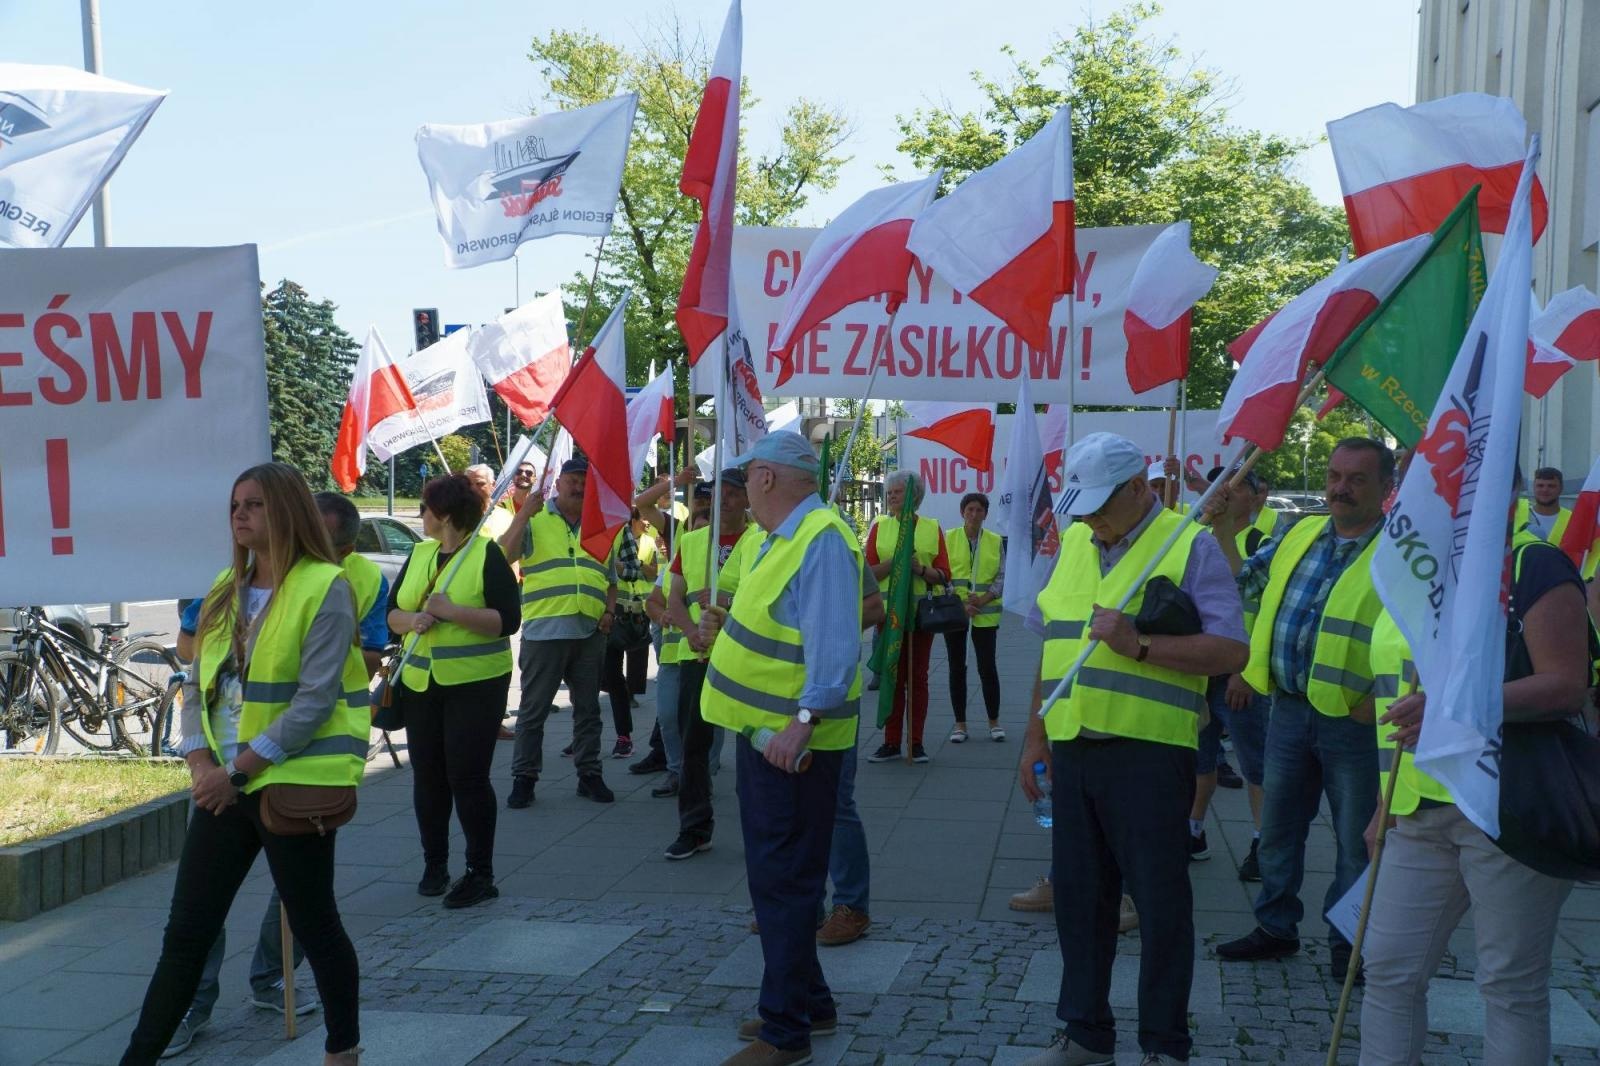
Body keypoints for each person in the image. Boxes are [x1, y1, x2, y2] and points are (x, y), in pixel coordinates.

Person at [120, 463, 366, 1066]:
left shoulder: (324, 585)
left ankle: (342, 1049)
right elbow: (194, 681)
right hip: (224, 787)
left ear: (284, 511)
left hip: (287, 785)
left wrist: (237, 772)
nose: (239, 515)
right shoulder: (224, 587)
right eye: (235, 505)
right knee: (185, 935)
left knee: (314, 926)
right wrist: (200, 759)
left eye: (253, 504)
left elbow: (314, 700)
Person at [1017, 433, 1247, 1066]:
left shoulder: (1188, 543)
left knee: (1160, 904)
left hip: (1150, 756)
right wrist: (1036, 732)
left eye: (1099, 503)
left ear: (1141, 487)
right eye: (1081, 503)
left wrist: (1140, 645)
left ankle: (1165, 1046)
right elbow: (1054, 644)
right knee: (1080, 903)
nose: (1089, 516)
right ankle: (1086, 1034)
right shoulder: (1074, 545)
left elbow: (1231, 651)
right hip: (1075, 749)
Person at [1359, 529, 1594, 1065]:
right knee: (1388, 967)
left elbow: (1565, 685)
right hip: (1417, 810)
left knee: (1510, 987)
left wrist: (1448, 709)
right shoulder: (1418, 558)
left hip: (1507, 809)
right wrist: (1383, 807)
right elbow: (1396, 698)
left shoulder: (1532, 562)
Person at [697, 432, 864, 1066]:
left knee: (785, 885)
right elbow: (776, 625)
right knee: (780, 879)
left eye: (745, 480)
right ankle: (811, 1005)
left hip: (793, 745)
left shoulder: (817, 539)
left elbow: (834, 649)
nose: (740, 492)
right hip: (766, 738)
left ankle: (786, 1031)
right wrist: (721, 624)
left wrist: (804, 720)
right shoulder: (783, 538)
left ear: (766, 478)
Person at [1212, 438, 1392, 984]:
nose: (1340, 487)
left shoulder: (1401, 552)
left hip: (1355, 723)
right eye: (1336, 475)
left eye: (1357, 479)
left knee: (1355, 843)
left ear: (1386, 488)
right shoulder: (1303, 532)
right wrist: (1222, 528)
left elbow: (1417, 638)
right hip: (1288, 709)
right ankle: (1275, 926)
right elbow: (1246, 582)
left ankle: (1349, 945)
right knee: (1279, 830)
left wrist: (1374, 700)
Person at [388, 473, 518, 907]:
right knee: (428, 777)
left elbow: (508, 621)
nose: (420, 515)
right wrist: (412, 621)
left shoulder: (486, 555)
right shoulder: (420, 552)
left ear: (443, 515)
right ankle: (435, 863)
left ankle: (481, 873)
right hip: (421, 684)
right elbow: (392, 613)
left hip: (476, 686)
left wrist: (453, 612)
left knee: (467, 778)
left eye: (424, 508)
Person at [498, 457, 618, 807]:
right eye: (573, 480)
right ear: (559, 483)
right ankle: (524, 778)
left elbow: (609, 578)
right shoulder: (537, 519)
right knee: (533, 712)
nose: (579, 487)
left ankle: (589, 774)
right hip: (545, 631)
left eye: (584, 481)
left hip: (589, 631)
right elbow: (503, 555)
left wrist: (609, 610)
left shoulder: (599, 524)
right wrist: (523, 514)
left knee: (588, 711)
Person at [663, 470, 761, 860]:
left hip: (747, 656)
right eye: (719, 495)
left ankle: (762, 824)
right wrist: (689, 631)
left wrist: (729, 601)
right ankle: (694, 827)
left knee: (753, 743)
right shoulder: (691, 540)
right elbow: (673, 597)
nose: (726, 502)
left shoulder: (762, 541)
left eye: (735, 494)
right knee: (693, 745)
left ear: (747, 499)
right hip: (698, 654)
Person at [1190, 468, 1270, 877]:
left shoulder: (1262, 543)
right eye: (1223, 486)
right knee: (1200, 761)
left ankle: (1262, 842)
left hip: (1241, 677)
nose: (1228, 492)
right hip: (1201, 672)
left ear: (1256, 498)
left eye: (1238, 486)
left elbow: (1262, 613)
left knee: (1256, 765)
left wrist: (1246, 672)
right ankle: (1194, 830)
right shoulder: (1197, 539)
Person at [631, 489, 713, 793]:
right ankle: (678, 770)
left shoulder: (725, 569)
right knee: (668, 716)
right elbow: (653, 602)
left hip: (708, 654)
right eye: (695, 530)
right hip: (672, 653)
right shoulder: (677, 566)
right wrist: (662, 614)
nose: (700, 537)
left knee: (707, 721)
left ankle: (701, 772)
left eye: (707, 531)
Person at [864, 470, 948, 764]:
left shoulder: (931, 527)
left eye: (897, 492)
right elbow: (869, 573)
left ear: (914, 496)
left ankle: (916, 742)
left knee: (918, 679)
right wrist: (895, 563)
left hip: (920, 618)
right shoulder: (879, 527)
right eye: (889, 493)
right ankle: (890, 742)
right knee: (892, 677)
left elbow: (944, 575)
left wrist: (920, 570)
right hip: (889, 618)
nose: (891, 497)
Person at [944, 492, 1006, 744]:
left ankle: (994, 722)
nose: (974, 514)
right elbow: (943, 575)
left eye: (979, 510)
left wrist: (983, 599)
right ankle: (960, 724)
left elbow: (1002, 575)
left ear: (985, 514)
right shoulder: (949, 538)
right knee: (957, 668)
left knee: (987, 668)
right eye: (969, 509)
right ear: (962, 512)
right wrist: (961, 603)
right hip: (956, 615)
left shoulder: (994, 540)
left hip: (985, 615)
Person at [600, 512, 657, 760]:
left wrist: (613, 566)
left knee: (613, 678)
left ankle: (624, 737)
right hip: (576, 615)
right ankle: (582, 737)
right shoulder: (565, 528)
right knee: (582, 680)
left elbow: (636, 571)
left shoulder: (617, 529)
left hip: (613, 616)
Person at [1516, 466, 1571, 543]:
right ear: (1534, 488)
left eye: (1551, 486)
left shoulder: (1572, 520)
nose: (1545, 490)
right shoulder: (1517, 515)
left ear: (1561, 489)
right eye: (1540, 486)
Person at [464, 464, 514, 541]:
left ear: (493, 485)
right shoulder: (455, 516)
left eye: (480, 484)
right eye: (468, 484)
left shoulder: (506, 517)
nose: (473, 489)